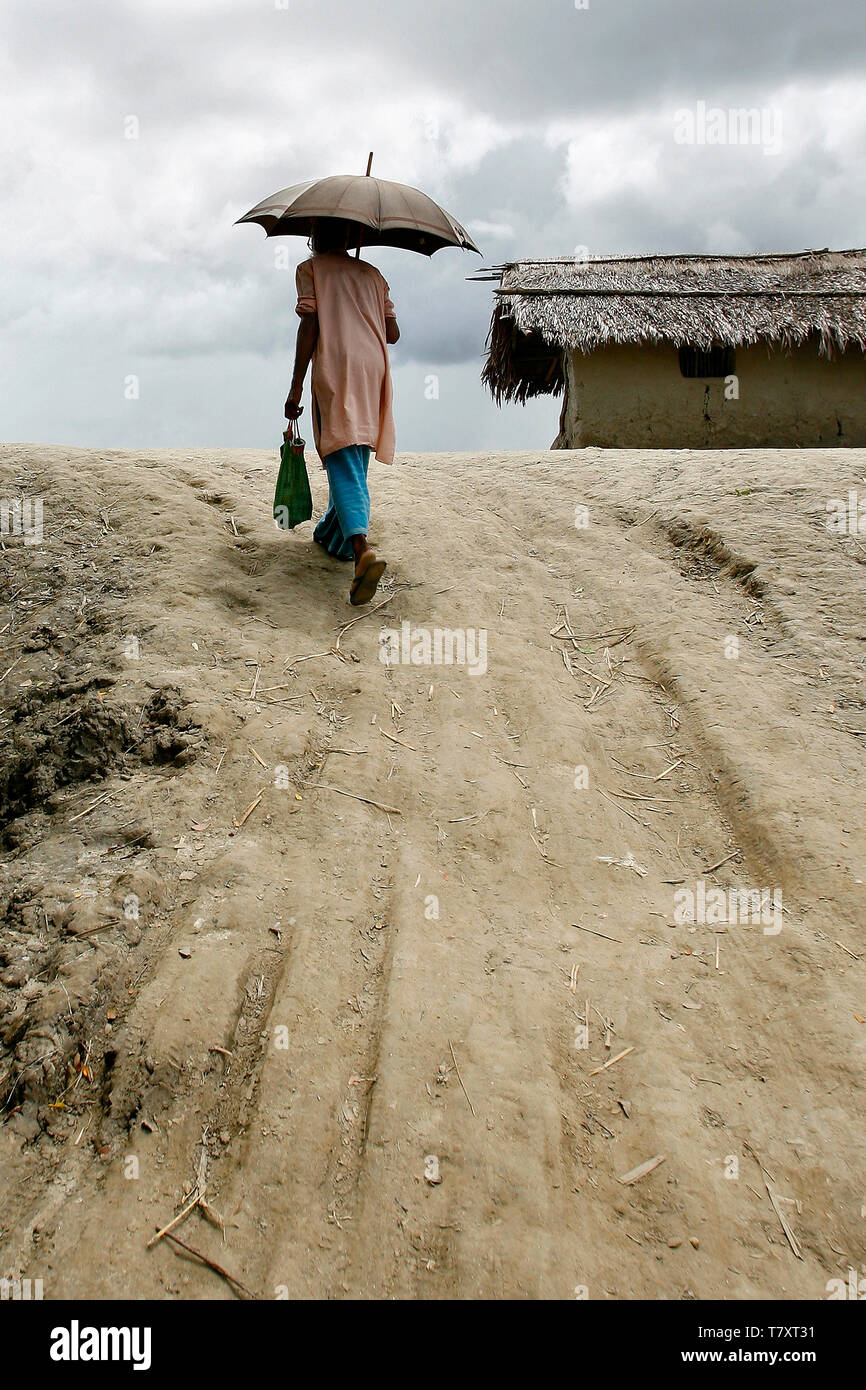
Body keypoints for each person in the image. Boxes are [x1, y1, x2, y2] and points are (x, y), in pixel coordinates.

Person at [284, 216, 400, 606]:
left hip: (338, 364)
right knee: (355, 448)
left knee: (338, 449)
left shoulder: (310, 269)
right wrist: (363, 295)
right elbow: (393, 333)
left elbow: (310, 326)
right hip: (373, 367)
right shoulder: (374, 275)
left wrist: (296, 383)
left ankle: (362, 549)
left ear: (315, 238)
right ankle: (333, 536)